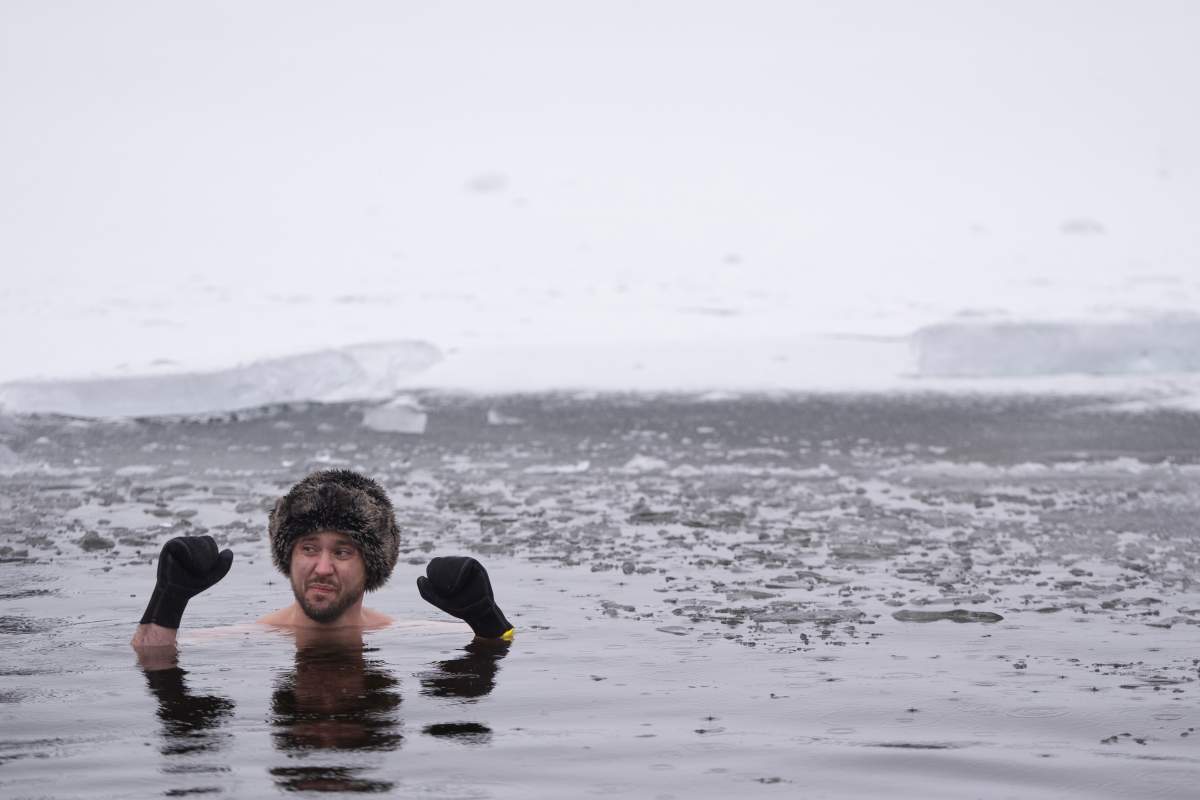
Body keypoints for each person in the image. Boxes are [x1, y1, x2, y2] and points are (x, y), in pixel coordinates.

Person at [130, 468, 514, 649]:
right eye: (309, 548)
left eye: (343, 551)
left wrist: (487, 622)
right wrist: (169, 602)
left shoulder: (410, 633)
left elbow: (508, 644)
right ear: (288, 557)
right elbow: (153, 658)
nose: (322, 567)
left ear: (373, 566)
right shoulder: (251, 637)